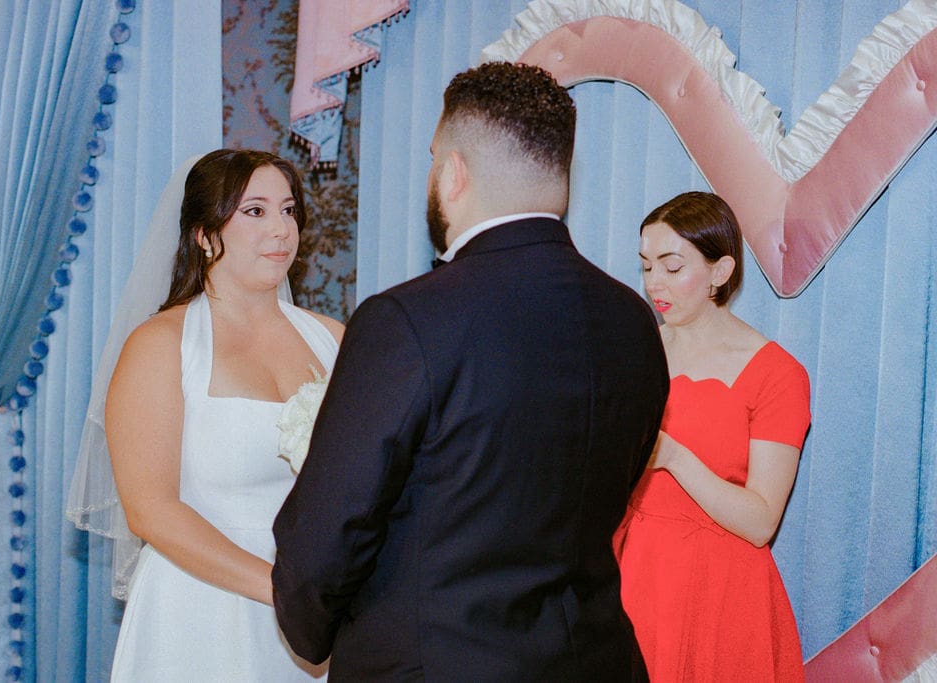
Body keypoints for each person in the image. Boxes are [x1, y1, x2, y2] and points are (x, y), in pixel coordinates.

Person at [271, 61, 669, 681]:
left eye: (433, 159)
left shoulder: (405, 319)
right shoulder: (633, 320)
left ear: (453, 173)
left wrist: (312, 633)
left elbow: (327, 533)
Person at [70, 149, 342, 680]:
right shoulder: (161, 345)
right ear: (203, 232)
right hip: (202, 606)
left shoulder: (333, 339)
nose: (282, 229)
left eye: (289, 210)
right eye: (255, 211)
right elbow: (150, 510)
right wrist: (283, 591)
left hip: (316, 605)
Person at [615, 191, 811, 681]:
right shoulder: (634, 350)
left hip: (720, 593)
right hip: (633, 572)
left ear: (721, 272)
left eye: (672, 266)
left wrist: (675, 457)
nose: (654, 283)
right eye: (645, 266)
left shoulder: (777, 373)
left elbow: (762, 521)